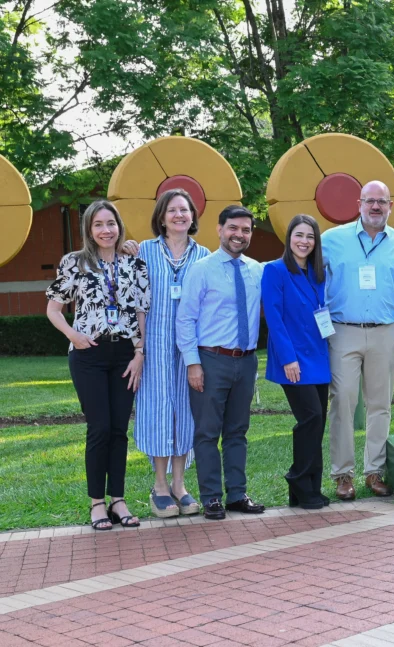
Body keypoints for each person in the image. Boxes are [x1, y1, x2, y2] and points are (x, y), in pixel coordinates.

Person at [45, 200, 150, 530]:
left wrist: (139, 353)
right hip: (88, 354)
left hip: (125, 354)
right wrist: (73, 335)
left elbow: (140, 312)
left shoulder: (134, 263)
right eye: (99, 225)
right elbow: (53, 309)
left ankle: (118, 500)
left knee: (119, 430)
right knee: (100, 428)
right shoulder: (74, 262)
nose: (106, 230)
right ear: (89, 230)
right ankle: (97, 503)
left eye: (111, 223)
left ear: (119, 226)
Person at [322, 180, 394, 500]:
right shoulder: (331, 240)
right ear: (359, 204)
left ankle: (374, 472)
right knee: (343, 401)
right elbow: (312, 284)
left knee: (380, 404)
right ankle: (343, 474)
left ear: (391, 206)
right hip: (342, 331)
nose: (376, 206)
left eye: (382, 201)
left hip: (385, 332)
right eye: (370, 201)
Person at [176, 205, 265, 520]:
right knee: (207, 432)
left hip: (246, 361)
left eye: (246, 230)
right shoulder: (201, 269)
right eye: (233, 228)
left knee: (238, 431)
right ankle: (212, 497)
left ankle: (237, 495)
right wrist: (193, 363)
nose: (239, 235)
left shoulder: (257, 270)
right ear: (219, 229)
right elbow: (185, 319)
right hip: (211, 360)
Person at [135, 189, 209, 518]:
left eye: (185, 210)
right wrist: (138, 347)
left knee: (185, 411)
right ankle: (160, 486)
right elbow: (133, 300)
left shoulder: (204, 255)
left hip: (190, 349)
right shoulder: (143, 251)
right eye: (172, 210)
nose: (179, 215)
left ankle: (180, 485)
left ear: (193, 216)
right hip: (153, 348)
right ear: (162, 218)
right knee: (158, 412)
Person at [262, 215, 332, 509]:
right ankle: (299, 480)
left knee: (318, 422)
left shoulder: (318, 274)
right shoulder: (274, 270)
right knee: (310, 417)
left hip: (318, 355)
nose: (304, 241)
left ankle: (311, 487)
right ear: (288, 237)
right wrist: (288, 359)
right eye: (299, 235)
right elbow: (274, 319)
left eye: (310, 236)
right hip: (293, 358)